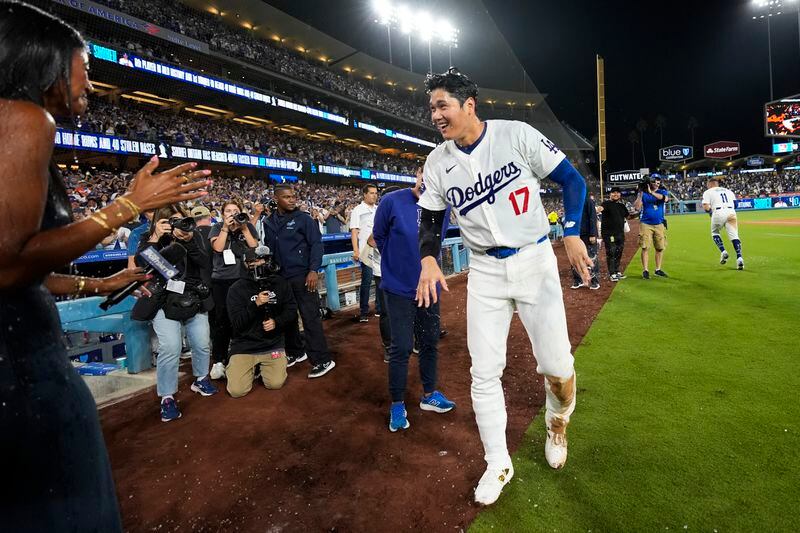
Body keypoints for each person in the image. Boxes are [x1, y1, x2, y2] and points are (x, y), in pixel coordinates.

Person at [0, 4, 210, 530]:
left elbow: (23, 270)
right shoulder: (26, 118)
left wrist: (98, 282)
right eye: (84, 69)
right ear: (46, 66)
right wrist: (128, 206)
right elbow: (7, 265)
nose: (89, 83)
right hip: (19, 368)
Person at [415, 68, 591, 506]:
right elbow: (430, 219)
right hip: (485, 272)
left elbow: (572, 180)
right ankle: (498, 461)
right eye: (432, 107)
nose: (435, 114)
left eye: (442, 105)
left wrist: (571, 231)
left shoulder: (515, 134)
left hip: (533, 259)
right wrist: (429, 258)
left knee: (557, 365)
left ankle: (557, 422)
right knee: (483, 372)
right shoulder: (437, 162)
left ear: (468, 105)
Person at [373, 167, 455, 432]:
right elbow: (379, 237)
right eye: (425, 177)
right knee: (402, 346)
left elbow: (437, 241)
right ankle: (397, 403)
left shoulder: (441, 208)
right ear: (418, 175)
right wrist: (398, 265)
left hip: (428, 287)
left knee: (429, 342)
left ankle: (429, 394)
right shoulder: (392, 201)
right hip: (398, 288)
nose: (428, 182)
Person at [133, 206, 217, 421]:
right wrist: (156, 238)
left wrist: (187, 241)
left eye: (181, 220)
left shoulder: (194, 235)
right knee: (170, 347)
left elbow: (205, 263)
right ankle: (167, 397)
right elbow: (145, 264)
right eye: (172, 221)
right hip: (164, 299)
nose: (178, 225)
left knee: (201, 342)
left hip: (193, 296)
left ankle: (201, 378)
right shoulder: (149, 238)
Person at [263, 185, 336, 379]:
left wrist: (313, 270)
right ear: (276, 199)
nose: (292, 200)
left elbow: (316, 245)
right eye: (287, 197)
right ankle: (296, 351)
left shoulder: (304, 219)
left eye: (293, 196)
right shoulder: (268, 222)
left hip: (303, 275)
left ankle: (322, 359)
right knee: (286, 317)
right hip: (280, 277)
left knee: (310, 316)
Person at [225, 247, 295, 397]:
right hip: (245, 346)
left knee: (275, 384)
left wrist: (277, 322)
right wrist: (255, 304)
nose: (261, 263)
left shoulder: (280, 283)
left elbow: (291, 310)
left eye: (263, 259)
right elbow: (237, 323)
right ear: (247, 264)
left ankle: (262, 367)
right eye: (256, 260)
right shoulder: (236, 289)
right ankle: (242, 367)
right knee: (237, 391)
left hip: (272, 344)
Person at [208, 201, 258, 379]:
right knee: (222, 321)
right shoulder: (216, 228)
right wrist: (226, 229)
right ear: (222, 214)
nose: (232, 214)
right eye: (228, 211)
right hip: (221, 281)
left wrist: (243, 228)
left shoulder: (247, 226)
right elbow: (218, 248)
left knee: (246, 318)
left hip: (244, 279)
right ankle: (219, 360)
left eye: (235, 211)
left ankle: (245, 356)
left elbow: (254, 247)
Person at [350, 184, 381, 322]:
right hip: (365, 250)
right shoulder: (357, 210)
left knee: (381, 281)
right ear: (364, 194)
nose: (374, 195)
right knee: (366, 281)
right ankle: (363, 311)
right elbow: (354, 231)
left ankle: (380, 308)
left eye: (376, 193)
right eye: (371, 193)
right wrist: (356, 250)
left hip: (379, 251)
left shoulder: (378, 209)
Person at [702, 178, 744, 269]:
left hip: (718, 212)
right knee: (734, 236)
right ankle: (739, 257)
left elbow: (706, 207)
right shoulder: (728, 191)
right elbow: (736, 204)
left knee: (715, 232)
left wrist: (710, 212)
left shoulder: (708, 192)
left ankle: (723, 251)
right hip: (731, 212)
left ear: (709, 184)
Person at [633, 179, 668, 279]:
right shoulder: (643, 193)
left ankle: (658, 269)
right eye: (654, 182)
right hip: (646, 224)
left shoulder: (662, 191)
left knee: (660, 248)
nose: (657, 184)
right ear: (649, 183)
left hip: (659, 224)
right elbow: (637, 208)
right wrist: (640, 193)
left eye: (658, 183)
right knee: (645, 247)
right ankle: (645, 270)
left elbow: (665, 199)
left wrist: (651, 192)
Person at [597, 187, 630, 281]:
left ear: (620, 194)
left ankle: (616, 271)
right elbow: (601, 208)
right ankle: (612, 273)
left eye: (618, 193)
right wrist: (597, 209)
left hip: (620, 233)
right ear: (610, 194)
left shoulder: (621, 206)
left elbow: (628, 216)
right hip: (609, 234)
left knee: (619, 252)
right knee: (611, 251)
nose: (616, 194)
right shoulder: (606, 203)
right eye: (613, 192)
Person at [570, 191, 600, 290]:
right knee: (575, 258)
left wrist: (593, 234)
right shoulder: (571, 202)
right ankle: (577, 280)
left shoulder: (588, 201)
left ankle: (595, 281)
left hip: (587, 234)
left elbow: (593, 217)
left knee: (591, 257)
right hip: (575, 235)